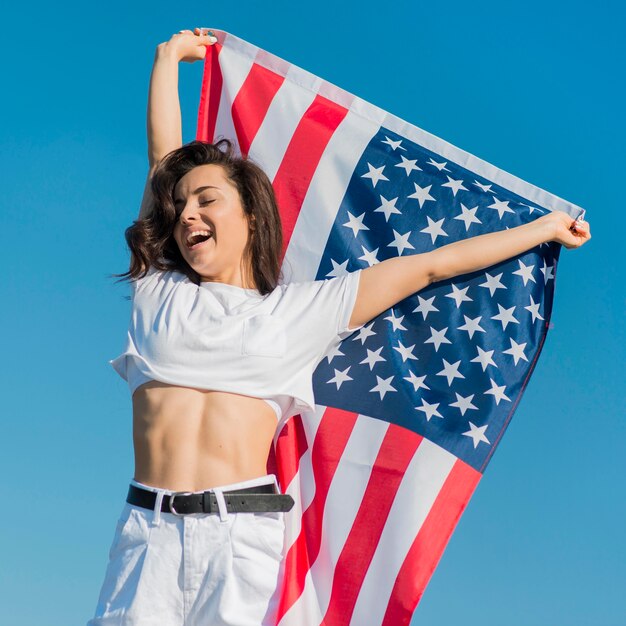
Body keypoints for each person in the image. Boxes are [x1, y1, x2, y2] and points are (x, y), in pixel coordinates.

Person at [86, 27, 592, 626]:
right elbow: (162, 163)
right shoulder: (156, 292)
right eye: (181, 208)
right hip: (147, 536)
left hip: (242, 540)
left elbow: (427, 267)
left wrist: (544, 230)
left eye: (207, 200)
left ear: (249, 213)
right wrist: (167, 60)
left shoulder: (297, 312)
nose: (189, 213)